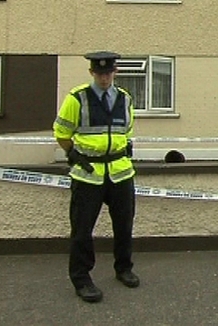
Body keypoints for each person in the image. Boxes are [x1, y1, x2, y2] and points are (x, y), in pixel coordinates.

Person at [53, 51, 139, 303]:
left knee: (124, 225)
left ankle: (124, 268)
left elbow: (127, 131)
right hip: (88, 175)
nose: (104, 77)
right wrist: (75, 156)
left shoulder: (124, 98)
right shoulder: (77, 98)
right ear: (92, 73)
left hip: (120, 172)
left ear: (115, 72)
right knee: (82, 230)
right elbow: (61, 132)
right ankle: (81, 279)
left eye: (108, 72)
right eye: (100, 73)